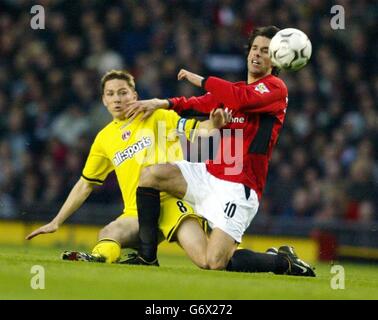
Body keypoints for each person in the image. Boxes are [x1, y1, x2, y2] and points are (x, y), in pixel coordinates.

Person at [124, 26, 316, 276]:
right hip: (208, 175)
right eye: (254, 48)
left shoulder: (275, 89)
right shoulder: (234, 90)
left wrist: (201, 80)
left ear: (277, 58)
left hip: (238, 187)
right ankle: (147, 256)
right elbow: (199, 103)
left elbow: (241, 99)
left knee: (213, 262)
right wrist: (163, 103)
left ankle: (282, 262)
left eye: (266, 51)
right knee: (150, 175)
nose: (256, 54)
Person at [26, 70, 230, 267]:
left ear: (134, 95)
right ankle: (99, 258)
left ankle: (258, 258)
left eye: (123, 93)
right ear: (104, 100)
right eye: (111, 94)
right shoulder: (104, 139)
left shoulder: (157, 116)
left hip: (172, 204)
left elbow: (198, 129)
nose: (117, 99)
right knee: (109, 233)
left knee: (206, 260)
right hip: (136, 212)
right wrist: (56, 221)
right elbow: (85, 184)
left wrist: (214, 123)